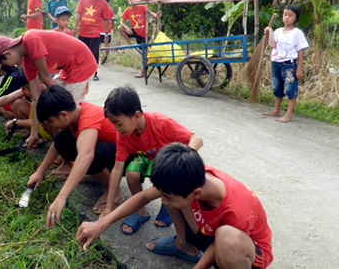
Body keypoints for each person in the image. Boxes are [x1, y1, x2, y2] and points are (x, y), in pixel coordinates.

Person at [77, 143, 273, 269]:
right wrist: (100, 224)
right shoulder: (188, 178)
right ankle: (182, 244)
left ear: (196, 194)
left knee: (227, 240)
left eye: (167, 197)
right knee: (174, 200)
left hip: (248, 253)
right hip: (210, 231)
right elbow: (144, 196)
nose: (163, 202)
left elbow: (219, 245)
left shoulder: (238, 209)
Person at [99, 86, 203, 236]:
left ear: (136, 115)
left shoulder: (160, 122)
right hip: (146, 158)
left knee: (165, 177)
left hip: (165, 159)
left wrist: (182, 159)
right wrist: (108, 206)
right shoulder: (123, 135)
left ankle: (168, 204)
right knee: (132, 174)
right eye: (113, 124)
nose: (116, 129)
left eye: (119, 123)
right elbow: (117, 168)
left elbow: (197, 139)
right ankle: (140, 211)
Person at [27, 85, 125, 226]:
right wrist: (39, 172)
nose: (51, 126)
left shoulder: (88, 119)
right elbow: (57, 145)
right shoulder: (75, 115)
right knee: (61, 139)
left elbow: (86, 156)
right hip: (111, 151)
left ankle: (114, 192)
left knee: (91, 156)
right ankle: (94, 175)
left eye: (51, 121)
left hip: (127, 157)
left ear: (63, 115)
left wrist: (61, 198)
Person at [0, 32, 97, 149]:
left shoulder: (31, 39)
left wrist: (63, 100)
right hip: (68, 68)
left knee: (68, 111)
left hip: (82, 64)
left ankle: (77, 148)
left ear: (7, 53)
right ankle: (61, 147)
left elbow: (45, 76)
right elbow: (35, 98)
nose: (8, 66)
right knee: (52, 109)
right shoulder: (27, 60)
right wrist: (33, 134)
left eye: (4, 63)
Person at [262, 4, 309, 122]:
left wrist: (299, 68)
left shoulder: (297, 33)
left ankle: (288, 114)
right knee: (277, 87)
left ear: (296, 18)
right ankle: (276, 110)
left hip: (289, 65)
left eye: (290, 15)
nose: (286, 18)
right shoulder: (278, 31)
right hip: (276, 63)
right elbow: (272, 45)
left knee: (290, 89)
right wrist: (270, 32)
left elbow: (301, 51)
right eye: (284, 15)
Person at [118, 0, 162, 78]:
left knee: (144, 53)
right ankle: (129, 43)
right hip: (134, 31)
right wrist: (126, 27)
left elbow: (153, 14)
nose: (132, 0)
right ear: (128, 0)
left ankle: (143, 71)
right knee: (119, 28)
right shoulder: (127, 10)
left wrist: (157, 15)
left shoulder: (142, 7)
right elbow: (121, 21)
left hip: (143, 34)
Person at [72, 0, 110, 81]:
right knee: (81, 52)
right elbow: (79, 13)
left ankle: (94, 73)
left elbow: (106, 19)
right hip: (82, 32)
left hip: (94, 33)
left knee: (94, 53)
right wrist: (75, 26)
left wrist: (106, 33)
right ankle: (81, 71)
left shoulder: (103, 3)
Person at [99, 0, 114, 65]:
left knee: (98, 44)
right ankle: (106, 57)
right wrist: (113, 28)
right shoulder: (110, 9)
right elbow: (112, 20)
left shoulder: (100, 8)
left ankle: (101, 55)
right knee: (107, 44)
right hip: (108, 30)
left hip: (100, 29)